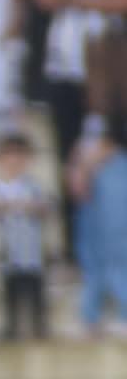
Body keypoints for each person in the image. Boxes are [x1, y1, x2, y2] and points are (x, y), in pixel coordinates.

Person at [31, 0, 127, 209]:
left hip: (111, 61)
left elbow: (122, 0)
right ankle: (74, 246)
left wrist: (76, 0)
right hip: (66, 60)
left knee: (111, 146)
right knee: (67, 152)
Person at [64, 39, 127, 327]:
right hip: (96, 186)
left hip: (116, 179)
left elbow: (113, 143)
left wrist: (92, 161)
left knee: (117, 248)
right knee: (93, 248)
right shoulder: (93, 110)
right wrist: (79, 167)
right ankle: (94, 311)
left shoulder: (117, 107)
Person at [0, 114, 55, 340]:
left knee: (35, 290)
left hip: (31, 250)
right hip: (9, 250)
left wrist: (28, 207)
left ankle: (39, 326)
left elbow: (46, 207)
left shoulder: (33, 186)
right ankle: (11, 328)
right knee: (11, 292)